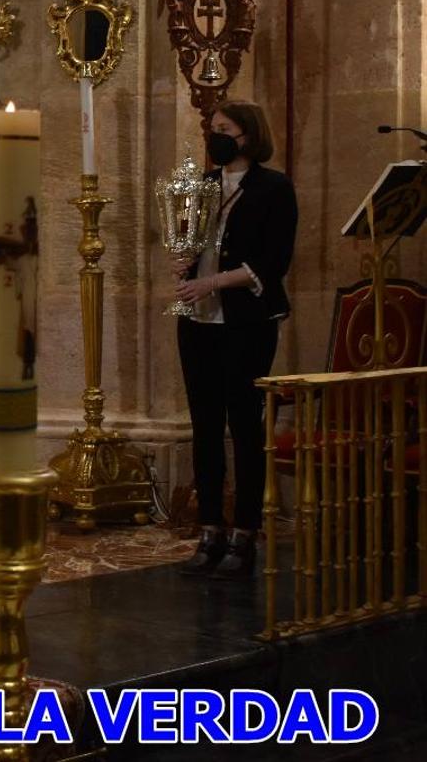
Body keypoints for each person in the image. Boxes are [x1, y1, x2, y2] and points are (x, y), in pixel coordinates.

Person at [172, 100, 297, 579]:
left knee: (244, 425)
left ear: (247, 136)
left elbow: (273, 261)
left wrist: (213, 282)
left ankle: (245, 533)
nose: (214, 137)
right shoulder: (203, 186)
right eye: (212, 130)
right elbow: (193, 242)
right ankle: (209, 530)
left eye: (223, 130)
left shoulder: (274, 188)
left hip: (247, 321)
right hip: (198, 321)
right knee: (204, 425)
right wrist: (185, 264)